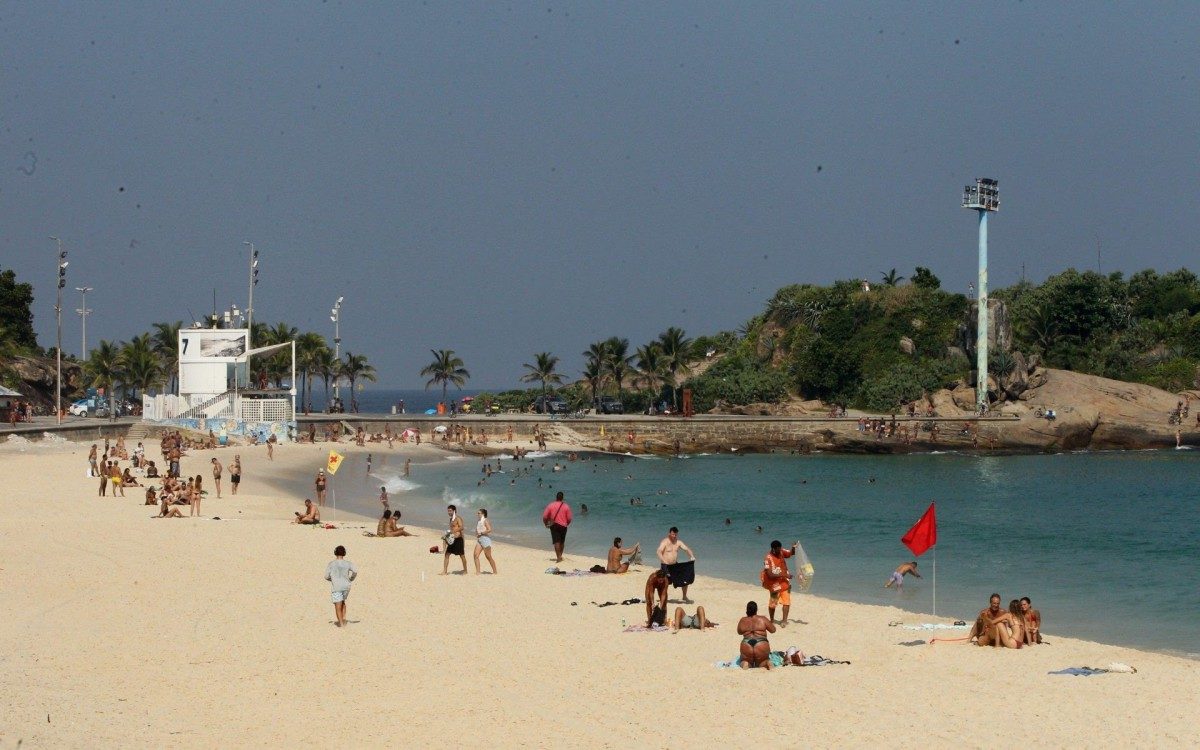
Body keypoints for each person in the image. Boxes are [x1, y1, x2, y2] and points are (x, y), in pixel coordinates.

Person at [761, 540, 801, 626]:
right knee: (773, 604)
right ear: (773, 549)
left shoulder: (781, 551)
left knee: (787, 601)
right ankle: (771, 620)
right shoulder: (768, 558)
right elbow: (770, 575)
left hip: (784, 582)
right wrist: (784, 574)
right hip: (774, 584)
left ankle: (784, 621)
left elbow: (791, 553)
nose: (780, 551)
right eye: (778, 549)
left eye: (780, 549)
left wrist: (793, 548)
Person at [656, 526, 696, 603]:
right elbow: (658, 551)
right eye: (673, 534)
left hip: (674, 565)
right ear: (669, 534)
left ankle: (684, 596)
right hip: (666, 566)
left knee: (685, 578)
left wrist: (692, 556)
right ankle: (663, 597)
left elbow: (686, 549)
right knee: (665, 582)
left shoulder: (678, 542)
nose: (674, 536)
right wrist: (663, 561)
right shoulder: (665, 542)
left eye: (675, 535)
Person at [324, 545, 358, 628]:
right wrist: (351, 578)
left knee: (337, 605)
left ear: (335, 553)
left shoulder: (331, 564)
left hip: (337, 586)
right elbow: (355, 571)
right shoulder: (348, 563)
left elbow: (326, 576)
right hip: (346, 586)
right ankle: (343, 619)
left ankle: (341, 624)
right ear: (344, 553)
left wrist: (332, 579)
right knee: (343, 602)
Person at [736, 601, 776, 669]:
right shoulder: (763, 619)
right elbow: (773, 630)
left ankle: (746, 663)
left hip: (746, 643)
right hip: (761, 643)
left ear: (747, 610)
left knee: (744, 661)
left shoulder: (743, 620)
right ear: (756, 609)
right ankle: (766, 662)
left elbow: (739, 632)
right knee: (762, 662)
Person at [541, 491, 573, 563]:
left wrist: (545, 523)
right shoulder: (566, 506)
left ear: (556, 497)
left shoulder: (551, 505)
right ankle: (560, 556)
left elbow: (545, 516)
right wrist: (566, 523)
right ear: (562, 498)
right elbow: (569, 518)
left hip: (554, 525)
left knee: (556, 541)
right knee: (562, 542)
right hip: (563, 525)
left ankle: (558, 557)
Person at [442, 504, 467, 574]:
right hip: (452, 539)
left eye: (450, 511)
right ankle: (445, 571)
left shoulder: (458, 518)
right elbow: (452, 529)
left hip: (459, 539)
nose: (449, 512)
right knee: (447, 554)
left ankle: (465, 570)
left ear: (454, 511)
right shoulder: (451, 519)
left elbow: (462, 527)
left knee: (462, 556)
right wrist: (448, 535)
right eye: (448, 511)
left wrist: (453, 532)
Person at [473, 508, 497, 574]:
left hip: (485, 540)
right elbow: (478, 529)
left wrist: (481, 533)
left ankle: (495, 572)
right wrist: (477, 533)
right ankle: (478, 572)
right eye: (477, 513)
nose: (477, 514)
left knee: (488, 556)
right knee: (475, 555)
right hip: (479, 540)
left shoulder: (485, 520)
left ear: (483, 514)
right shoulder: (479, 521)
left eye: (479, 513)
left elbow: (489, 529)